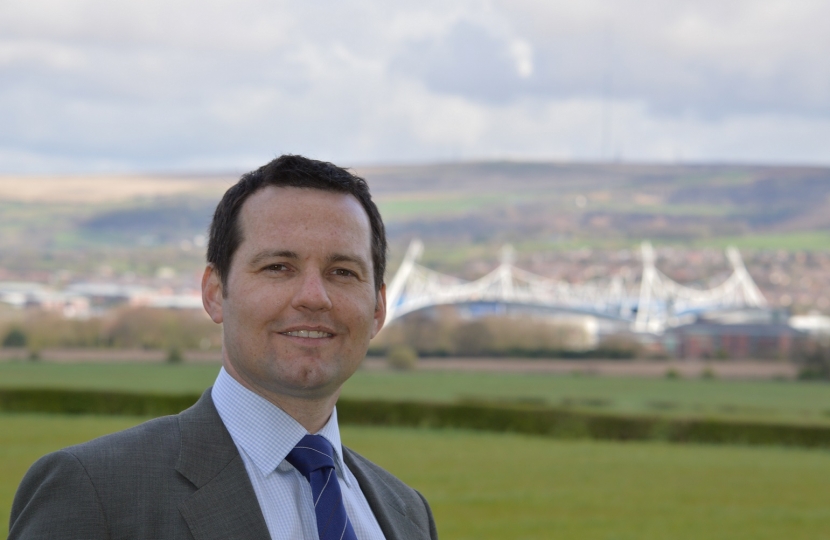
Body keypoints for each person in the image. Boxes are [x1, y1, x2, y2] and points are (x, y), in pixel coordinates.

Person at [9, 155, 438, 540]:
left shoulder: (407, 514)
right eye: (278, 267)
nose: (314, 296)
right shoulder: (94, 491)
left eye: (342, 272)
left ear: (379, 308)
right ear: (215, 292)